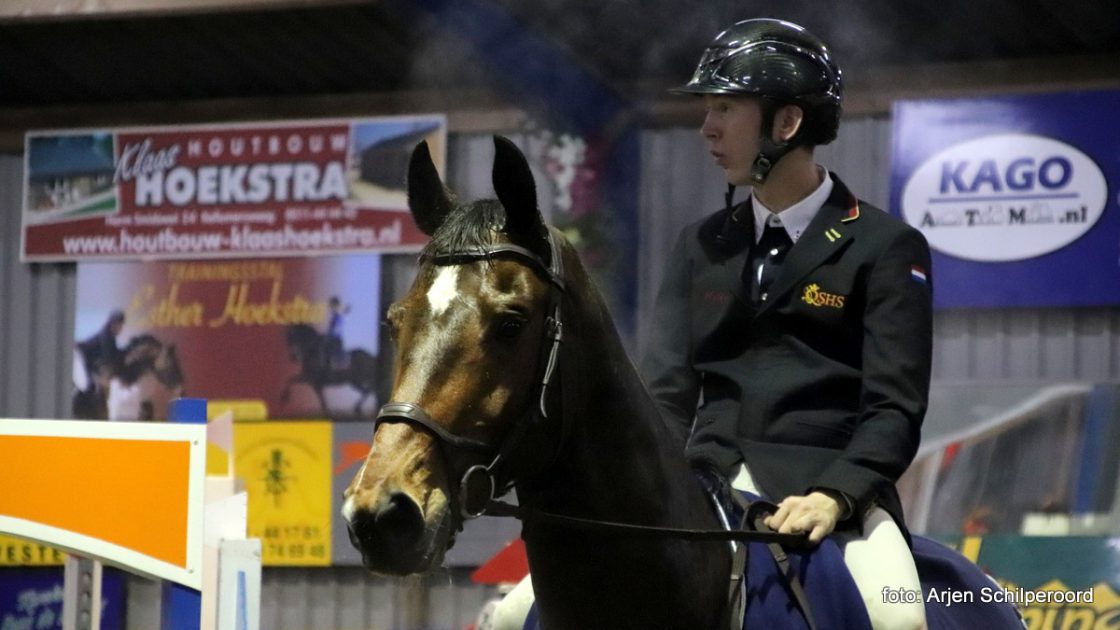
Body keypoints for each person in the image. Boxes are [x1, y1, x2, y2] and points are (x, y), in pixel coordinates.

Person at [641, 18, 933, 630]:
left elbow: (893, 407)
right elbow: (666, 395)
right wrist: (649, 482)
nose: (707, 128)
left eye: (725, 107)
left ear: (787, 123)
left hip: (825, 489)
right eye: (706, 107)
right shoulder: (698, 246)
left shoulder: (883, 246)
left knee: (899, 619)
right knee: (514, 614)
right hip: (705, 481)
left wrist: (836, 493)